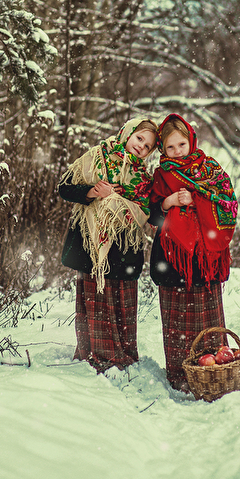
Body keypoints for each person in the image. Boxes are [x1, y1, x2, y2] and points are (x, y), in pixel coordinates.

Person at [59, 117, 158, 372]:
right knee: (96, 302)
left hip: (124, 249)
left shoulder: (144, 180)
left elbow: (147, 212)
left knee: (121, 304)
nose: (141, 147)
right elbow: (65, 188)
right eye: (139, 138)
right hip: (93, 247)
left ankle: (121, 355)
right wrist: (92, 192)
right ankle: (96, 354)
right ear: (127, 133)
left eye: (147, 146)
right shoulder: (96, 157)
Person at [149, 113, 238, 391]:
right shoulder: (161, 175)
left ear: (191, 141)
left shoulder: (210, 169)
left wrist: (198, 199)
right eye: (170, 147)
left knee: (207, 316)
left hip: (205, 257)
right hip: (173, 256)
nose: (177, 151)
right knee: (177, 318)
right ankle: (181, 375)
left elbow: (228, 203)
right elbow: (152, 215)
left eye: (181, 145)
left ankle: (215, 371)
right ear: (162, 148)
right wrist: (169, 202)